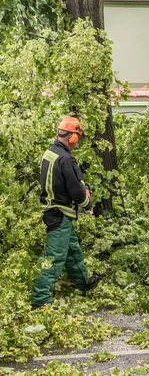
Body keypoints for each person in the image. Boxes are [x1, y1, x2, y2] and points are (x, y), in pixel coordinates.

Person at [31, 117, 101, 310]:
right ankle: (40, 299)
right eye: (77, 136)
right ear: (72, 137)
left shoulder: (50, 153)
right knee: (53, 258)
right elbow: (76, 190)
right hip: (59, 213)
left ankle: (82, 283)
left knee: (72, 252)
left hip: (58, 213)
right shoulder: (65, 158)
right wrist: (87, 203)